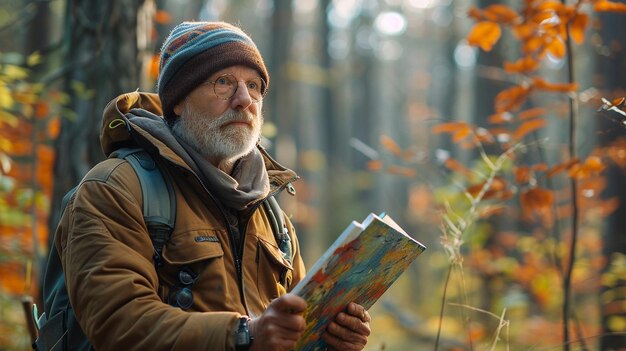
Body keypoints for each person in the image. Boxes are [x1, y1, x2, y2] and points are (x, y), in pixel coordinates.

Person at [55, 21, 371, 350]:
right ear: (178, 100)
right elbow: (118, 323)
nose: (244, 99)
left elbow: (286, 331)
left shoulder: (270, 213)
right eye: (223, 82)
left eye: (254, 86)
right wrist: (244, 335)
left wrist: (329, 337)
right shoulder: (114, 189)